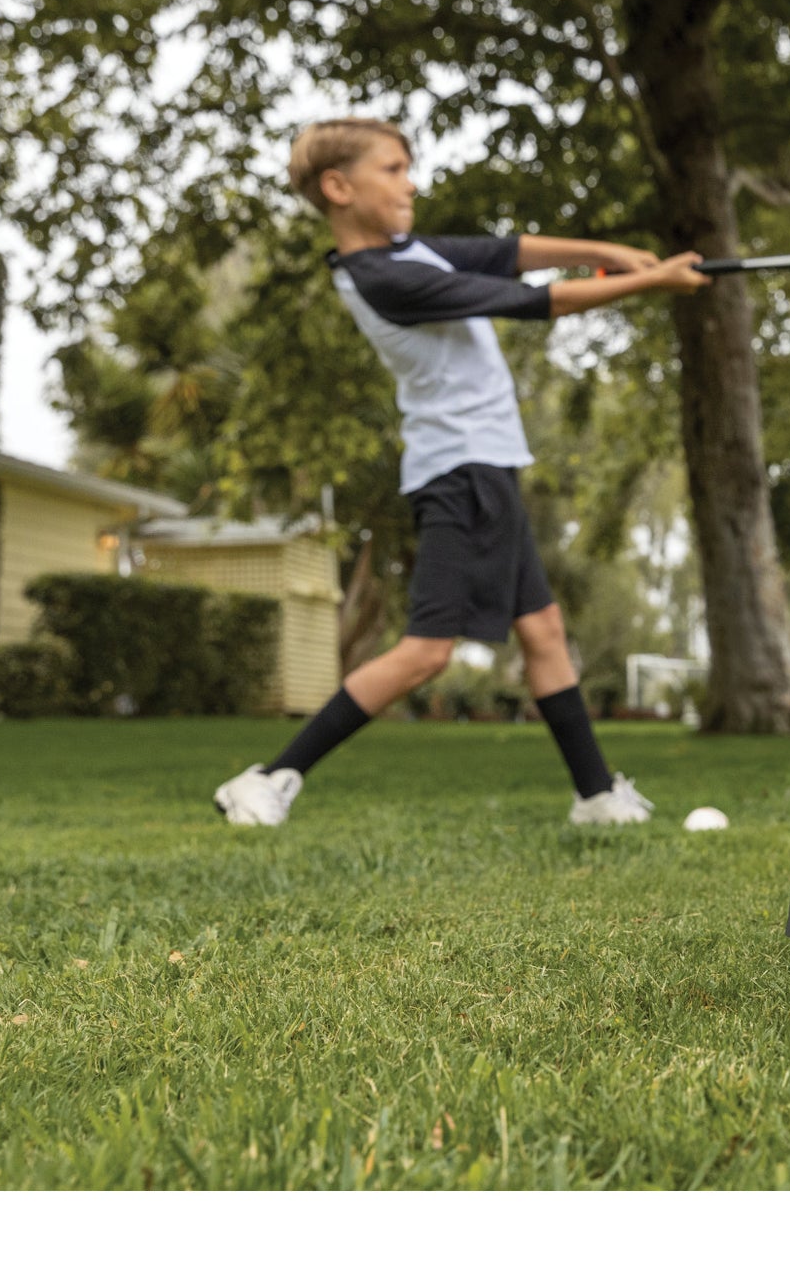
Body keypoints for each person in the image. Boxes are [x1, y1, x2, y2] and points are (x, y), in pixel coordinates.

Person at [213, 117, 708, 828]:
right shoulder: (382, 277)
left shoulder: (412, 252)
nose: (409, 182)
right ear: (338, 186)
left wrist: (610, 252)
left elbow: (508, 255)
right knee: (426, 653)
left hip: (485, 464)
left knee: (541, 630)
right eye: (392, 168)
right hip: (461, 470)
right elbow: (528, 299)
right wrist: (652, 282)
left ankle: (597, 797)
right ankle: (269, 777)